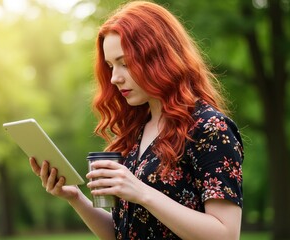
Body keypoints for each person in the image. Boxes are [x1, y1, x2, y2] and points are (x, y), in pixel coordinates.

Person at [29, 1, 244, 239]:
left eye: (125, 63)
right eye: (111, 66)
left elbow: (226, 234)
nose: (114, 78)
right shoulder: (136, 131)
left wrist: (141, 192)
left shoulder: (210, 128)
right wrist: (76, 198)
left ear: (159, 57)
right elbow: (124, 232)